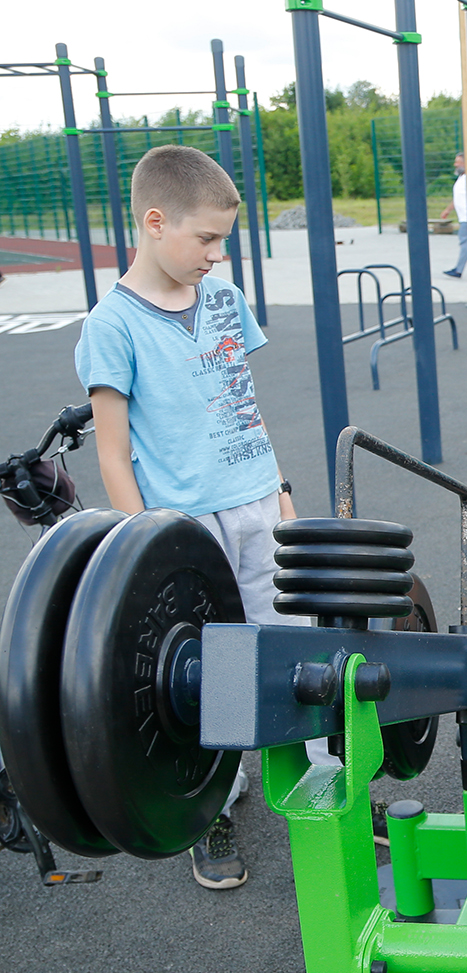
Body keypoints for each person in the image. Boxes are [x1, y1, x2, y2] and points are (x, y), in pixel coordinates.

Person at [74, 145, 298, 892]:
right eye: (205, 239)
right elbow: (112, 453)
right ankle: (216, 804)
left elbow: (243, 401)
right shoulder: (113, 325)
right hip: (184, 524)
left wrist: (282, 483)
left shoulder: (226, 300)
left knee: (295, 645)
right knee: (219, 667)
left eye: (223, 240)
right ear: (155, 222)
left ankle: (322, 785)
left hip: (259, 500)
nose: (216, 253)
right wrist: (145, 544)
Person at [439, 152, 467, 278]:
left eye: (458, 162)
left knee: (465, 243)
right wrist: (448, 210)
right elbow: (458, 198)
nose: (455, 164)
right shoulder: (461, 178)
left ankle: (458, 270)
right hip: (464, 217)